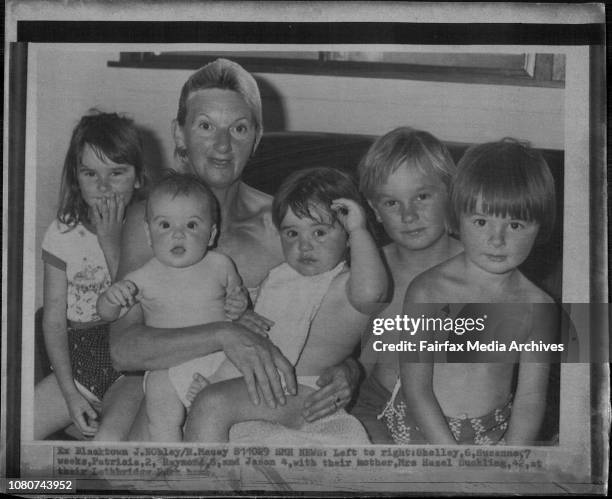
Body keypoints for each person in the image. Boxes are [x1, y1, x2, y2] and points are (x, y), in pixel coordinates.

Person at [108, 59, 352, 440]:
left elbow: (330, 318)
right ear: (179, 133)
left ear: (256, 138)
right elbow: (123, 348)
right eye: (206, 126)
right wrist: (225, 333)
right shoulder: (151, 223)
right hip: (162, 391)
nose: (222, 146)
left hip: (245, 405)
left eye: (238, 128)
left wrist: (348, 372)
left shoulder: (286, 229)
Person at [183, 167, 388, 442]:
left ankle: (198, 484)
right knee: (181, 390)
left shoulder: (348, 284)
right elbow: (263, 328)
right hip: (261, 386)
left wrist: (359, 228)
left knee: (212, 403)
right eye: (292, 234)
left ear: (348, 236)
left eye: (319, 232)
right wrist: (242, 314)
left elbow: (372, 293)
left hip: (304, 392)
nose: (305, 245)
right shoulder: (280, 277)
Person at [383, 138, 558, 445]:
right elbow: (416, 389)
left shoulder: (539, 305)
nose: (497, 239)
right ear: (456, 219)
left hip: (495, 431)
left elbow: (531, 399)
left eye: (515, 225)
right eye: (480, 221)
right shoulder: (428, 292)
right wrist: (451, 457)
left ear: (540, 227)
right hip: (422, 426)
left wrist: (512, 459)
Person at [97, 172, 249, 441]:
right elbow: (108, 314)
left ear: (211, 234)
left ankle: (210, 402)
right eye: (165, 225)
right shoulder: (142, 277)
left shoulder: (221, 265)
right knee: (159, 397)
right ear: (148, 232)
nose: (178, 235)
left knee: (241, 369)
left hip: (219, 357)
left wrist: (238, 305)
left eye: (191, 226)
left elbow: (239, 302)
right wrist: (111, 298)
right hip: (168, 363)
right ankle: (169, 452)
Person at [34, 111, 147, 439]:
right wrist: (70, 395)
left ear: (138, 177)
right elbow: (53, 320)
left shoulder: (148, 229)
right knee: (14, 434)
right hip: (78, 357)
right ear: (75, 176)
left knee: (106, 447)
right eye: (90, 173)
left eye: (117, 173)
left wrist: (110, 239)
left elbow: (138, 311)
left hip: (130, 366)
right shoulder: (62, 233)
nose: (103, 187)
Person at [350, 127, 463, 443]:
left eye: (422, 196)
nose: (409, 215)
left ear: (450, 193)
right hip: (380, 411)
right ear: (374, 209)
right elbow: (361, 362)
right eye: (391, 203)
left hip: (459, 417)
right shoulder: (370, 271)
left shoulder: (481, 266)